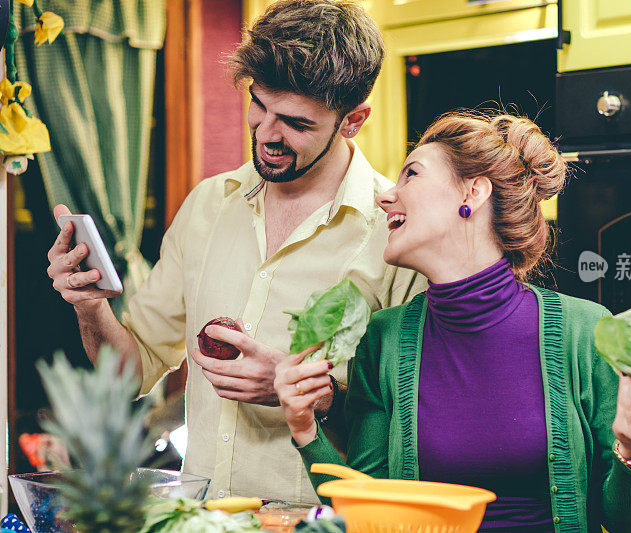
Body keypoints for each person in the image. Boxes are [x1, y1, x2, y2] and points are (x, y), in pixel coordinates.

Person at [45, 0, 424, 502]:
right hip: (202, 517)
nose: (266, 133)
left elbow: (412, 420)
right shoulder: (206, 206)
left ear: (353, 120)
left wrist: (303, 393)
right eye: (259, 104)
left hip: (323, 520)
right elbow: (130, 373)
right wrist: (91, 307)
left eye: (296, 123)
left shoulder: (395, 231)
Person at [275, 111, 631, 532]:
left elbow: (623, 520)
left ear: (474, 192)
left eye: (411, 174)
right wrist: (304, 430)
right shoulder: (383, 338)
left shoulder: (584, 330)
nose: (385, 196)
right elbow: (368, 506)